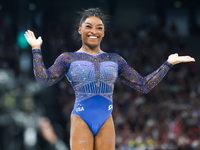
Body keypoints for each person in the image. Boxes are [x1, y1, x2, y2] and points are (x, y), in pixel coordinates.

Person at [24, 7, 195, 150]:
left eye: (99, 27)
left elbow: (143, 85)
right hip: (81, 118)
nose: (94, 31)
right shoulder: (68, 58)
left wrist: (168, 63)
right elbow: (44, 80)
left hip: (106, 119)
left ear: (103, 32)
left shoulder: (115, 59)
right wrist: (36, 50)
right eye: (89, 26)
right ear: (80, 29)